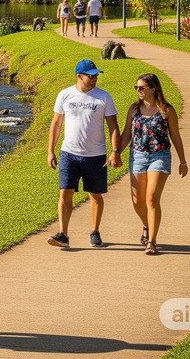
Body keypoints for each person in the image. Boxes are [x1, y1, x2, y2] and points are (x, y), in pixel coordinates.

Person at [47, 59, 121, 249]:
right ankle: (63, 234)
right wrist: (50, 151)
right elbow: (56, 124)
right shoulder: (65, 95)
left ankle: (95, 232)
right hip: (69, 153)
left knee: (95, 195)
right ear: (79, 76)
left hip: (96, 155)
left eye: (96, 75)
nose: (95, 78)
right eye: (91, 75)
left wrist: (115, 151)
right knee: (65, 192)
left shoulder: (103, 97)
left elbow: (113, 126)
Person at [126, 73, 188, 254]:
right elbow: (126, 135)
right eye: (136, 87)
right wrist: (115, 153)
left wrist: (183, 161)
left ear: (153, 88)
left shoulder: (166, 110)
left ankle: (151, 241)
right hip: (137, 156)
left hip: (159, 156)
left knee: (151, 197)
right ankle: (146, 224)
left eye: (142, 87)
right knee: (137, 201)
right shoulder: (134, 109)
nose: (138, 90)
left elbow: (175, 136)